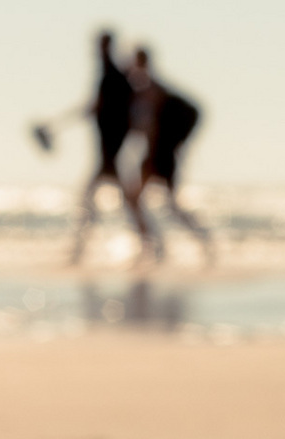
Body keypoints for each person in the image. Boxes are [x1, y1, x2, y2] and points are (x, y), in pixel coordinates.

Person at [68, 31, 153, 266]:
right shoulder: (113, 75)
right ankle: (150, 246)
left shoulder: (112, 76)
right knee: (116, 201)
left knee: (93, 200)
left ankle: (79, 252)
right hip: (109, 151)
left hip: (110, 152)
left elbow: (106, 108)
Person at [126, 47, 214, 266]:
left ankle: (160, 245)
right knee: (154, 202)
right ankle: (163, 244)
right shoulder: (147, 88)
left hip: (158, 155)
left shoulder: (153, 89)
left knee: (151, 201)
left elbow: (151, 126)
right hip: (158, 154)